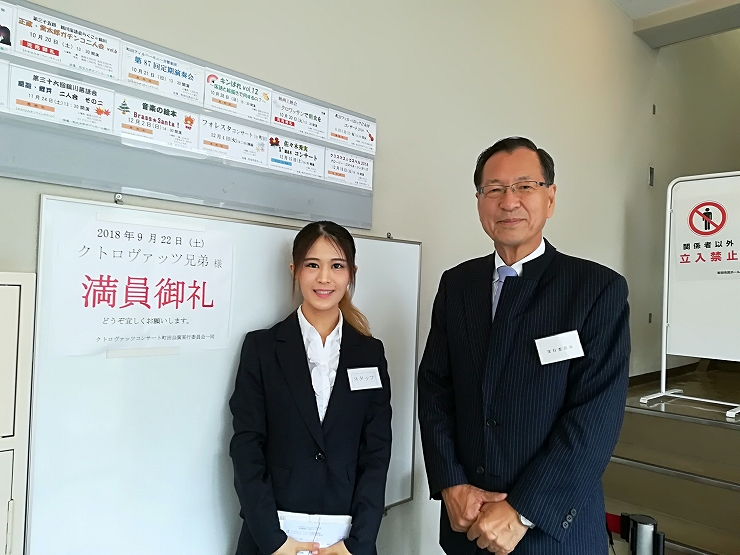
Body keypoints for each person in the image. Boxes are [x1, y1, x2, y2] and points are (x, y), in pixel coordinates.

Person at [418, 137, 630, 555]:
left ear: (550, 198)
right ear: (479, 201)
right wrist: (451, 483)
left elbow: (595, 417)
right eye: (494, 189)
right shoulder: (457, 285)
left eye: (525, 186)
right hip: (468, 525)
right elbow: (435, 389)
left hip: (554, 533)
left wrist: (521, 511)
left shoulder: (595, 289)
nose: (508, 201)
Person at [229, 221, 392, 555]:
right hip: (273, 537)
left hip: (345, 541)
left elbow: (376, 452)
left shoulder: (369, 352)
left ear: (352, 273)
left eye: (337, 266)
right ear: (295, 270)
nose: (324, 278)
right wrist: (273, 540)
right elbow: (247, 446)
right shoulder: (262, 348)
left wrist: (358, 543)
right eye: (312, 265)